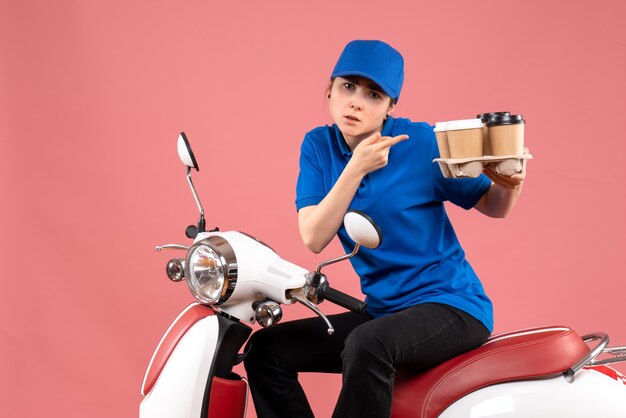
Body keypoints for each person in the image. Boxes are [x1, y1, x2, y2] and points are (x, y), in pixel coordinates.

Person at [244, 40, 526, 418]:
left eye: (373, 94)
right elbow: (313, 236)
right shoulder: (318, 146)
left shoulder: (421, 143)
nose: (356, 102)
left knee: (367, 344)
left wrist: (511, 181)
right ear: (328, 89)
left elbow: (495, 206)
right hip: (384, 312)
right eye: (348, 87)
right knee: (267, 351)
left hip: (452, 307)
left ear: (391, 106)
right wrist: (356, 167)